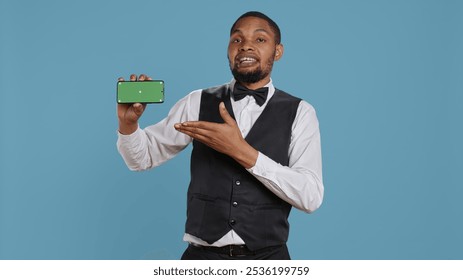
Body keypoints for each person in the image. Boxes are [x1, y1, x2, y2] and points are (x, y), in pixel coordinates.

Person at [117, 11, 324, 260]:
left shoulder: (301, 112)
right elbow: (142, 158)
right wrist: (128, 125)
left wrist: (242, 151)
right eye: (237, 39)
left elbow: (310, 196)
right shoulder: (197, 101)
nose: (245, 45)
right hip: (201, 258)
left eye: (260, 39)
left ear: (277, 52)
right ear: (228, 49)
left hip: (269, 259)